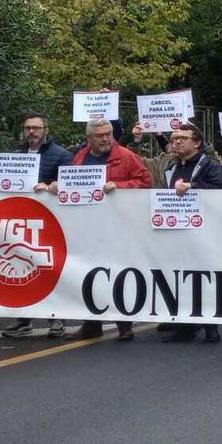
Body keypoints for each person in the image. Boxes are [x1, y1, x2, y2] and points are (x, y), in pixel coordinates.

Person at [38, 119, 152, 341]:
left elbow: (146, 181)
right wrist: (57, 187)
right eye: (100, 135)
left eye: (108, 133)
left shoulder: (126, 156)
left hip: (118, 227)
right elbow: (71, 185)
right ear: (89, 138)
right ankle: (92, 324)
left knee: (117, 273)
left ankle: (124, 325)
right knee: (88, 273)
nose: (106, 138)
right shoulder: (79, 157)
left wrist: (119, 186)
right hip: (88, 226)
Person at [0, 113, 75, 338]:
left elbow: (69, 185)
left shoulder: (62, 155)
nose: (31, 132)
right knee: (22, 270)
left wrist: (52, 187)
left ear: (46, 130)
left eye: (36, 128)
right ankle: (24, 319)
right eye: (27, 128)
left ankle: (57, 319)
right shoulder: (16, 153)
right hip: (21, 222)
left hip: (50, 223)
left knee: (50, 270)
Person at [156, 123, 222, 343]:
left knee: (205, 279)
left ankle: (211, 327)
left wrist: (193, 187)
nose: (177, 142)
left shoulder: (209, 165)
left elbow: (220, 191)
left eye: (183, 138)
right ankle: (186, 325)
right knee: (181, 278)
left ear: (196, 142)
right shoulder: (171, 166)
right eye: (174, 138)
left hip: (205, 233)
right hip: (178, 231)